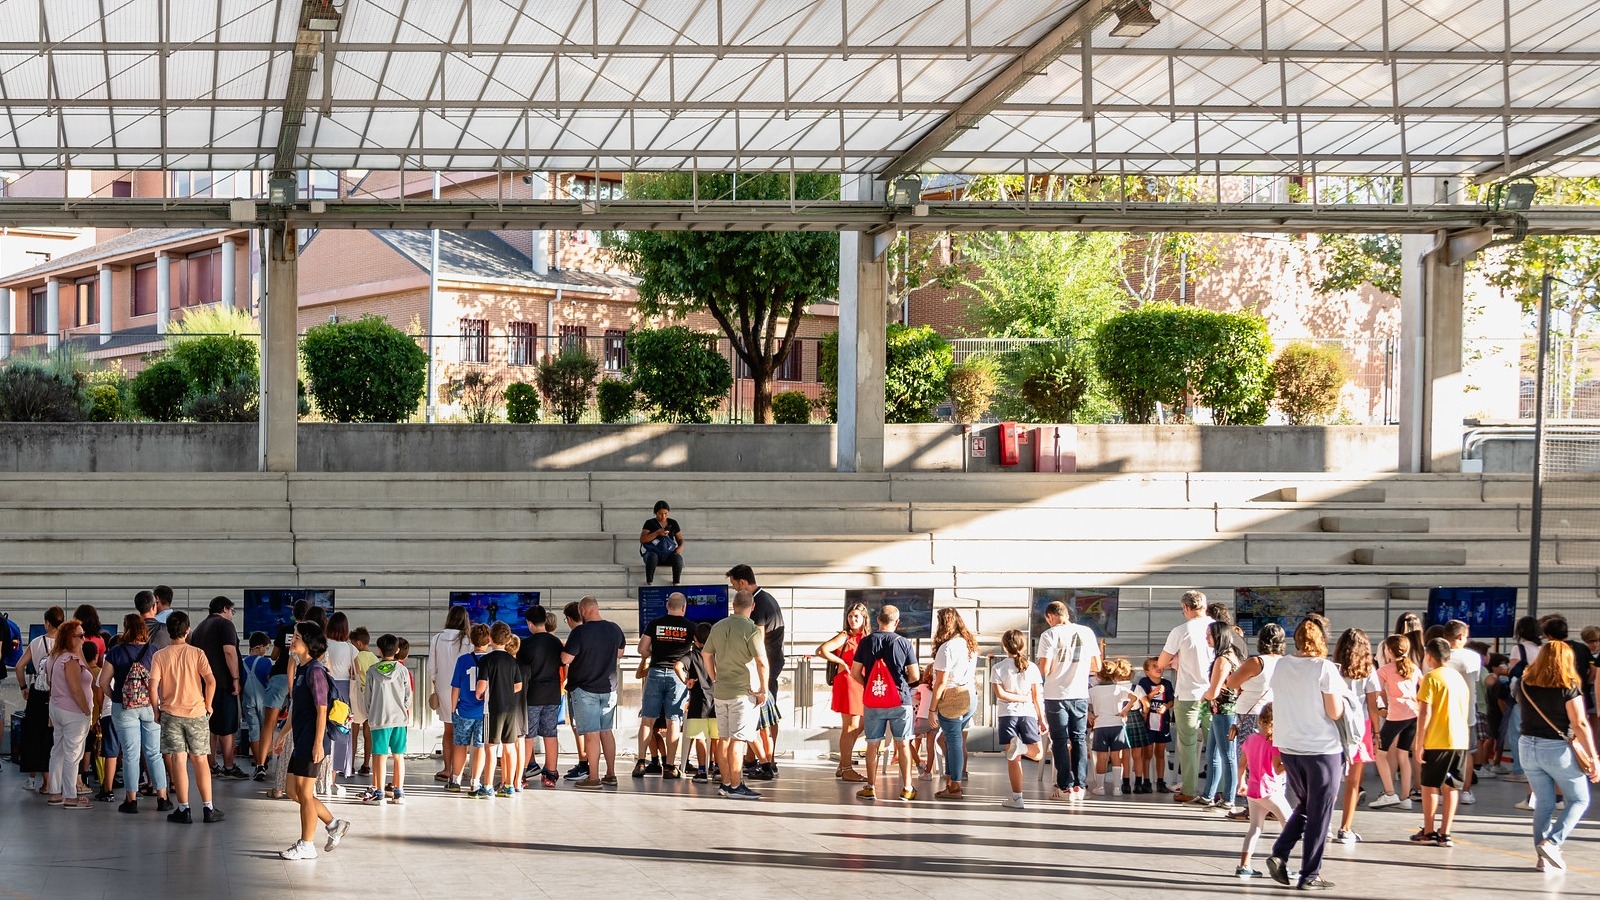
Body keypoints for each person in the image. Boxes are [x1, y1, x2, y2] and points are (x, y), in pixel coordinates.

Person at [1264, 618, 1344, 891]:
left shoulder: (1282, 664)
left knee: (1307, 806)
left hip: (1290, 746)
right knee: (1320, 813)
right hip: (1321, 748)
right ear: (1322, 640)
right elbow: (1334, 712)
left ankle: (1280, 852)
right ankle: (1310, 874)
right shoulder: (1325, 668)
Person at [1516, 638, 1599, 870]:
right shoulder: (1568, 686)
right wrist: (1594, 758)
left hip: (1527, 747)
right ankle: (1552, 843)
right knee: (1579, 799)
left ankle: (1543, 859)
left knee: (1544, 802)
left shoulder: (1524, 683)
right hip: (1556, 749)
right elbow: (1580, 723)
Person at [279, 622, 352, 860]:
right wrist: (281, 735)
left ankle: (307, 844)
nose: (293, 640)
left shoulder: (315, 672)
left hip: (312, 740)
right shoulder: (301, 670)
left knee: (305, 793)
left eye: (298, 637)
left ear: (309, 644)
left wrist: (318, 743)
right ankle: (333, 824)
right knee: (293, 791)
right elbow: (297, 709)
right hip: (302, 739)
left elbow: (322, 709)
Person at [149, 611, 224, 824]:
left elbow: (152, 686)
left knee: (178, 761)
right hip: (197, 713)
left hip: (171, 714)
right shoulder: (197, 653)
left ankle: (184, 809)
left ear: (168, 631)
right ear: (188, 630)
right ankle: (208, 808)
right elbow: (211, 681)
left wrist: (156, 710)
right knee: (200, 761)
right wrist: (208, 704)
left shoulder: (160, 656)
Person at [101, 614, 171, 814]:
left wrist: (117, 697)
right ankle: (163, 798)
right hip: (151, 706)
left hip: (124, 708)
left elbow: (103, 682)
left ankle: (131, 800)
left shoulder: (116, 651)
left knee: (130, 754)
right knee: (154, 753)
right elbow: (163, 681)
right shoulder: (154, 651)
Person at [850, 604, 920, 802]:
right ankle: (907, 788)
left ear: (877, 621)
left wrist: (870, 686)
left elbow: (855, 673)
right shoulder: (904, 643)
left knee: (873, 745)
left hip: (873, 702)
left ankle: (871, 787)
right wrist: (901, 687)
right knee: (903, 743)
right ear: (897, 622)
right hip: (900, 701)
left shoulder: (865, 642)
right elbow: (914, 675)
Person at [704, 589, 768, 800]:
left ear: (733, 605)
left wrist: (714, 677)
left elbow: (706, 654)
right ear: (752, 606)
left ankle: (725, 782)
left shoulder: (718, 626)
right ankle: (736, 785)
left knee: (723, 738)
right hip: (743, 692)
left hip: (721, 691)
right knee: (738, 740)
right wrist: (763, 689)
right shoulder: (751, 629)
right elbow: (761, 662)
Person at [1036, 600, 1101, 802]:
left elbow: (1044, 670)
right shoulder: (1087, 632)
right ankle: (1080, 787)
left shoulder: (1049, 635)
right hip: (1080, 693)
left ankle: (1065, 787)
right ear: (1067, 614)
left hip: (1056, 694)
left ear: (1050, 616)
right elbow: (1097, 665)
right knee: (1079, 739)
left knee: (1060, 740)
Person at [562, 596, 626, 790]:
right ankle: (611, 774)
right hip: (609, 689)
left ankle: (593, 777)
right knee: (606, 732)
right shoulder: (614, 628)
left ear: (582, 611)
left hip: (585, 689)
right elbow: (620, 653)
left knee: (591, 734)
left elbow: (566, 658)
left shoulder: (580, 632)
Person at [1155, 590, 1215, 802]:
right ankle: (1220, 789)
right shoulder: (1218, 628)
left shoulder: (1181, 631)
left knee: (1188, 744)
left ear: (1186, 608)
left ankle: (1189, 789)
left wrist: (1176, 658)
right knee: (1215, 743)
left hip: (1188, 693)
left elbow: (1162, 662)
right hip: (1214, 693)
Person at [728, 565, 784, 781]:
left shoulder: (758, 604)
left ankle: (765, 762)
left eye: (734, 585)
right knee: (767, 716)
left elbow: (757, 638)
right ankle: (757, 760)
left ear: (743, 582)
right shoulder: (768, 598)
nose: (734, 589)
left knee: (761, 717)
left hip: (764, 666)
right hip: (772, 662)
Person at [1413, 637, 1470, 847]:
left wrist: (1419, 743)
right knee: (1452, 786)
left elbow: (1425, 711)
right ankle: (1445, 832)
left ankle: (1428, 830)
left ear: (1429, 657)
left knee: (1429, 786)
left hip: (1437, 739)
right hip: (1460, 739)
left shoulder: (1431, 678)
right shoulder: (1458, 678)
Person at [1224, 622, 1285, 816]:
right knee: (1273, 761)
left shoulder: (1257, 662)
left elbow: (1231, 682)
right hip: (1277, 714)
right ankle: (1274, 805)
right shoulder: (1285, 662)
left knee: (1252, 760)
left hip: (1251, 714)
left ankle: (1253, 808)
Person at [635, 592, 693, 779]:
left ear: (667, 606)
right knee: (673, 720)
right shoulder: (691, 627)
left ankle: (641, 763)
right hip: (678, 676)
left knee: (648, 720)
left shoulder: (655, 623)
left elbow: (641, 649)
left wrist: (655, 652)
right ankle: (669, 766)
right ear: (684, 607)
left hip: (656, 672)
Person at [1332, 628, 1382, 843]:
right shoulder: (1369, 671)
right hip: (1360, 728)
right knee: (1353, 782)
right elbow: (1373, 707)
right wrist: (1377, 733)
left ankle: (1322, 823)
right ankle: (1345, 828)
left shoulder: (1333, 669)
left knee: (1330, 779)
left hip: (1333, 725)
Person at [188, 596, 245, 780]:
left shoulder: (199, 628)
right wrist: (235, 678)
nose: (232, 616)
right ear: (225, 609)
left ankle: (211, 764)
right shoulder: (225, 625)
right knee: (228, 727)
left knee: (210, 726)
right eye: (232, 612)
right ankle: (229, 765)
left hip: (203, 684)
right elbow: (229, 651)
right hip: (223, 683)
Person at [928, 608, 979, 800]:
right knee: (950, 740)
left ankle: (955, 785)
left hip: (951, 697)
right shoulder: (969, 644)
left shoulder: (947, 648)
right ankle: (950, 782)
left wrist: (932, 710)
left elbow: (941, 682)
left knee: (953, 741)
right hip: (969, 695)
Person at [817, 602, 871, 783]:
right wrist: (842, 662)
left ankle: (843, 763)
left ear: (864, 618)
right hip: (848, 682)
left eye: (856, 616)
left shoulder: (867, 637)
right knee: (851, 726)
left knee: (859, 724)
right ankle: (847, 768)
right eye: (850, 616)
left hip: (860, 683)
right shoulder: (845, 636)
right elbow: (822, 650)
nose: (853, 620)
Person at [993, 629, 1045, 809]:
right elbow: (1037, 696)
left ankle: (1017, 798)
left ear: (1004, 645)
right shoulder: (1032, 667)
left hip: (1007, 715)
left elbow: (1000, 694)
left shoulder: (998, 668)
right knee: (1038, 754)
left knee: (1013, 759)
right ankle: (1022, 748)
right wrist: (1041, 717)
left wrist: (1017, 698)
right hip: (1028, 714)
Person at [1237, 704, 1291, 879]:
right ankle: (1281, 863)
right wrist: (1293, 762)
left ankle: (1244, 866)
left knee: (1254, 828)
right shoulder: (1274, 743)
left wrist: (1241, 783)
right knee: (1290, 825)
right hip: (1270, 790)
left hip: (1253, 790)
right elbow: (1277, 767)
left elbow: (1242, 764)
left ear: (1260, 720)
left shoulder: (1250, 739)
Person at [45, 619, 94, 809]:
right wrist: (87, 710)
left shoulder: (54, 657)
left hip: (57, 709)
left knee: (57, 751)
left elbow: (51, 685)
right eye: (79, 636)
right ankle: (71, 797)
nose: (83, 639)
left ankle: (55, 793)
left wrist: (79, 650)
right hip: (73, 713)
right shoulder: (70, 660)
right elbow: (76, 689)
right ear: (68, 637)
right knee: (73, 755)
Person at [16, 605, 64, 793]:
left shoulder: (37, 642)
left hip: (38, 692)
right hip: (60, 693)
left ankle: (42, 781)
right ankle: (55, 782)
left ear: (47, 623)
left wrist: (24, 688)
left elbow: (20, 667)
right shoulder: (66, 644)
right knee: (54, 737)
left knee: (37, 735)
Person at [361, 633, 412, 805]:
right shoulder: (403, 670)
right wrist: (403, 708)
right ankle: (399, 793)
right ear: (397, 650)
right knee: (399, 756)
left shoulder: (372, 671)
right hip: (399, 720)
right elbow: (408, 696)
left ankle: (380, 794)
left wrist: (371, 713)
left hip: (379, 719)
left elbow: (366, 698)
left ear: (378, 650)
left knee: (380, 756)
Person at [1371, 634, 1421, 810]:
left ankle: (1389, 793)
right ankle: (1405, 797)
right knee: (1403, 754)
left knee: (1379, 753)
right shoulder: (1413, 667)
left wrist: (1379, 710)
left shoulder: (1383, 670)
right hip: (1413, 714)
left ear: (1389, 650)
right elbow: (1424, 688)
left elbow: (1375, 693)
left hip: (1395, 716)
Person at [517, 605, 565, 788]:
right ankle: (551, 773)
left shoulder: (526, 644)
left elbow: (520, 671)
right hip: (553, 693)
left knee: (528, 735)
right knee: (550, 733)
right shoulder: (555, 643)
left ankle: (522, 773)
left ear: (529, 623)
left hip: (533, 694)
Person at [1199, 619, 1244, 810]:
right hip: (1224, 710)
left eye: (1209, 634)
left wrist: (1203, 697)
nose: (1206, 638)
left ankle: (1228, 798)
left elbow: (1214, 690)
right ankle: (1209, 795)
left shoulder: (1223, 659)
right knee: (1213, 754)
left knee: (1227, 755)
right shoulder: (1233, 655)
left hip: (1224, 710)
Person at [477, 622, 525, 797]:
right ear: (507, 640)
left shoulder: (487, 660)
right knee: (509, 747)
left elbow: (482, 685)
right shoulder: (512, 660)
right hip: (511, 709)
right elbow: (518, 685)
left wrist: (479, 694)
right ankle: (509, 786)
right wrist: (506, 688)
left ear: (490, 639)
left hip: (493, 708)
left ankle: (488, 785)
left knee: (490, 747)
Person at [428, 606, 472, 784]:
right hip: (463, 687)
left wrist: (434, 683)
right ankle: (459, 770)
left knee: (448, 730)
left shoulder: (437, 638)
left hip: (442, 686)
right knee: (464, 731)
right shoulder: (467, 640)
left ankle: (447, 769)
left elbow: (432, 666)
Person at [448, 624, 493, 795]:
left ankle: (455, 780)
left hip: (464, 710)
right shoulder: (492, 659)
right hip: (484, 712)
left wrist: (453, 709)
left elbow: (455, 688)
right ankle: (475, 782)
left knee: (460, 745)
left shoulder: (463, 660)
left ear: (471, 640)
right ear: (489, 640)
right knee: (480, 746)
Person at [1088, 657, 1142, 796]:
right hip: (1117, 725)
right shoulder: (1119, 689)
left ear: (1098, 676)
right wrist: (1125, 710)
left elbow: (1083, 703)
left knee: (1102, 758)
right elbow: (1134, 698)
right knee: (1117, 757)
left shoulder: (1093, 691)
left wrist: (1089, 714)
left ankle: (1100, 787)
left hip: (1100, 726)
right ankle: (1117, 788)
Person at [323, 612, 359, 780]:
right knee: (341, 730)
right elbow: (356, 673)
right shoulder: (351, 648)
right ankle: (334, 776)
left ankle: (320, 770)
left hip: (325, 687)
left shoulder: (324, 645)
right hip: (344, 692)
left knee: (322, 728)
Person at [1133, 657, 1175, 794]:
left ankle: (1161, 781)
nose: (1158, 668)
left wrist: (1165, 707)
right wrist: (1153, 693)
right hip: (1148, 723)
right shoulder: (1144, 683)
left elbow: (1171, 701)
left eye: (1160, 666)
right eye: (1154, 666)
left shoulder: (1167, 683)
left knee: (1160, 753)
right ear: (1146, 671)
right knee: (1147, 753)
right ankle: (1146, 781)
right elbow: (1143, 700)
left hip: (1163, 722)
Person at [684, 622, 719, 783]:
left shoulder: (692, 655)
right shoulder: (717, 654)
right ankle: (719, 768)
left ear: (695, 639)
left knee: (700, 737)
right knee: (718, 737)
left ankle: (702, 770)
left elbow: (678, 666)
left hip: (699, 701)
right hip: (717, 700)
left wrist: (686, 680)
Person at [240, 632, 273, 781]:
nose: (265, 651)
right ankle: (264, 761)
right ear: (259, 647)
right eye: (265, 648)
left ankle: (257, 764)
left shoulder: (242, 663)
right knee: (266, 729)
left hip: (247, 701)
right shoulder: (265, 662)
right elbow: (269, 680)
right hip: (264, 700)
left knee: (254, 731)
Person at [640, 500, 685, 587]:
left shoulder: (673, 523)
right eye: (660, 513)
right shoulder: (649, 523)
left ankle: (676, 583)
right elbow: (642, 539)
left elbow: (680, 539)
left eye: (666, 513)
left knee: (678, 558)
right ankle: (649, 582)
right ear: (656, 513)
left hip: (668, 553)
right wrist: (657, 533)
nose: (663, 516)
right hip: (653, 553)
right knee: (652, 557)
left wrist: (680, 547)